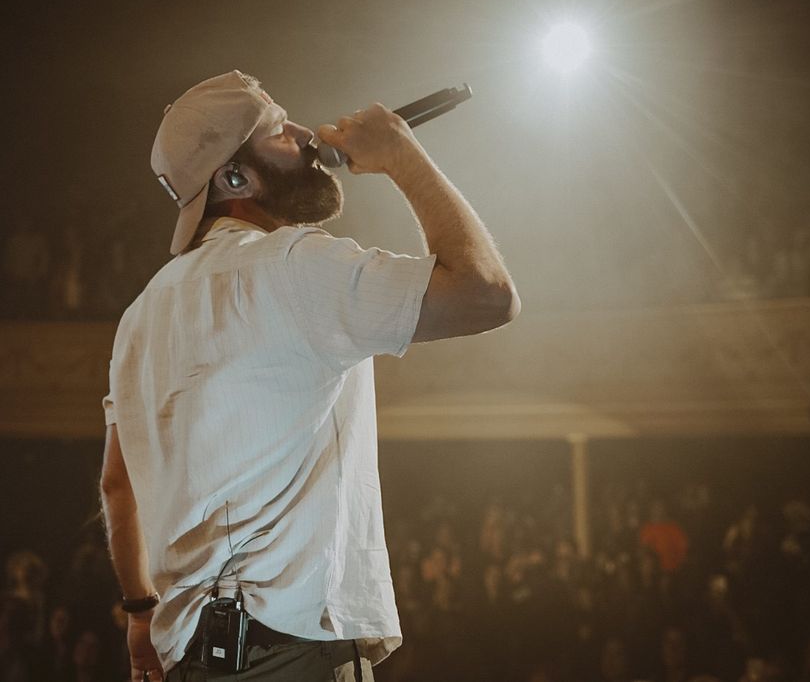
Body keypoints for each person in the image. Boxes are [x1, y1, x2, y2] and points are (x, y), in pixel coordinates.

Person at [99, 70, 520, 681]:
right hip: (292, 650)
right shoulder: (298, 266)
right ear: (235, 178)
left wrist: (140, 614)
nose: (304, 135)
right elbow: (487, 295)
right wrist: (402, 154)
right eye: (277, 130)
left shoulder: (138, 318)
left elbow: (118, 486)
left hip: (186, 657)